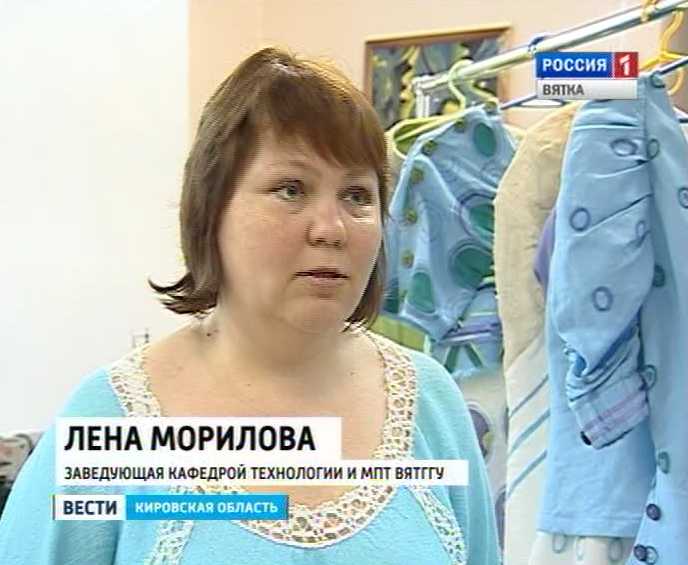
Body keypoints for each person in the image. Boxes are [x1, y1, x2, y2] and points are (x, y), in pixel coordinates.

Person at [0, 47, 500, 564]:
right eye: (291, 190)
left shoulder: (432, 403)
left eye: (356, 195)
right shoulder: (112, 420)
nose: (331, 229)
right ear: (212, 208)